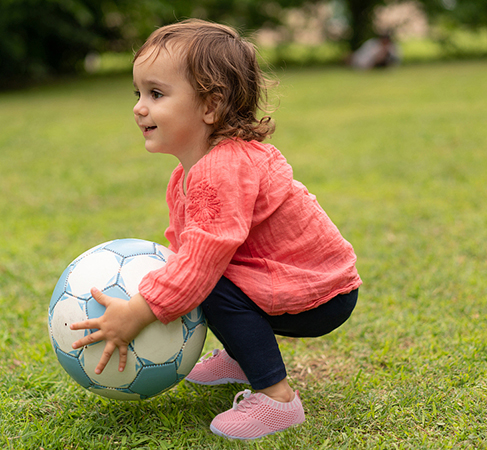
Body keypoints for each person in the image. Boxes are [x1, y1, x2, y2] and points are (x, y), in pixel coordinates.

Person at [70, 19, 362, 440]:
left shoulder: (222, 169)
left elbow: (199, 264)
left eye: (156, 93)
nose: (139, 107)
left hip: (318, 293)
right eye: (138, 93)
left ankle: (277, 400)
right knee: (197, 276)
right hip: (289, 281)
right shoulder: (187, 175)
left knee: (207, 278)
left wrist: (137, 312)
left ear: (211, 106)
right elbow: (185, 252)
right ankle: (243, 357)